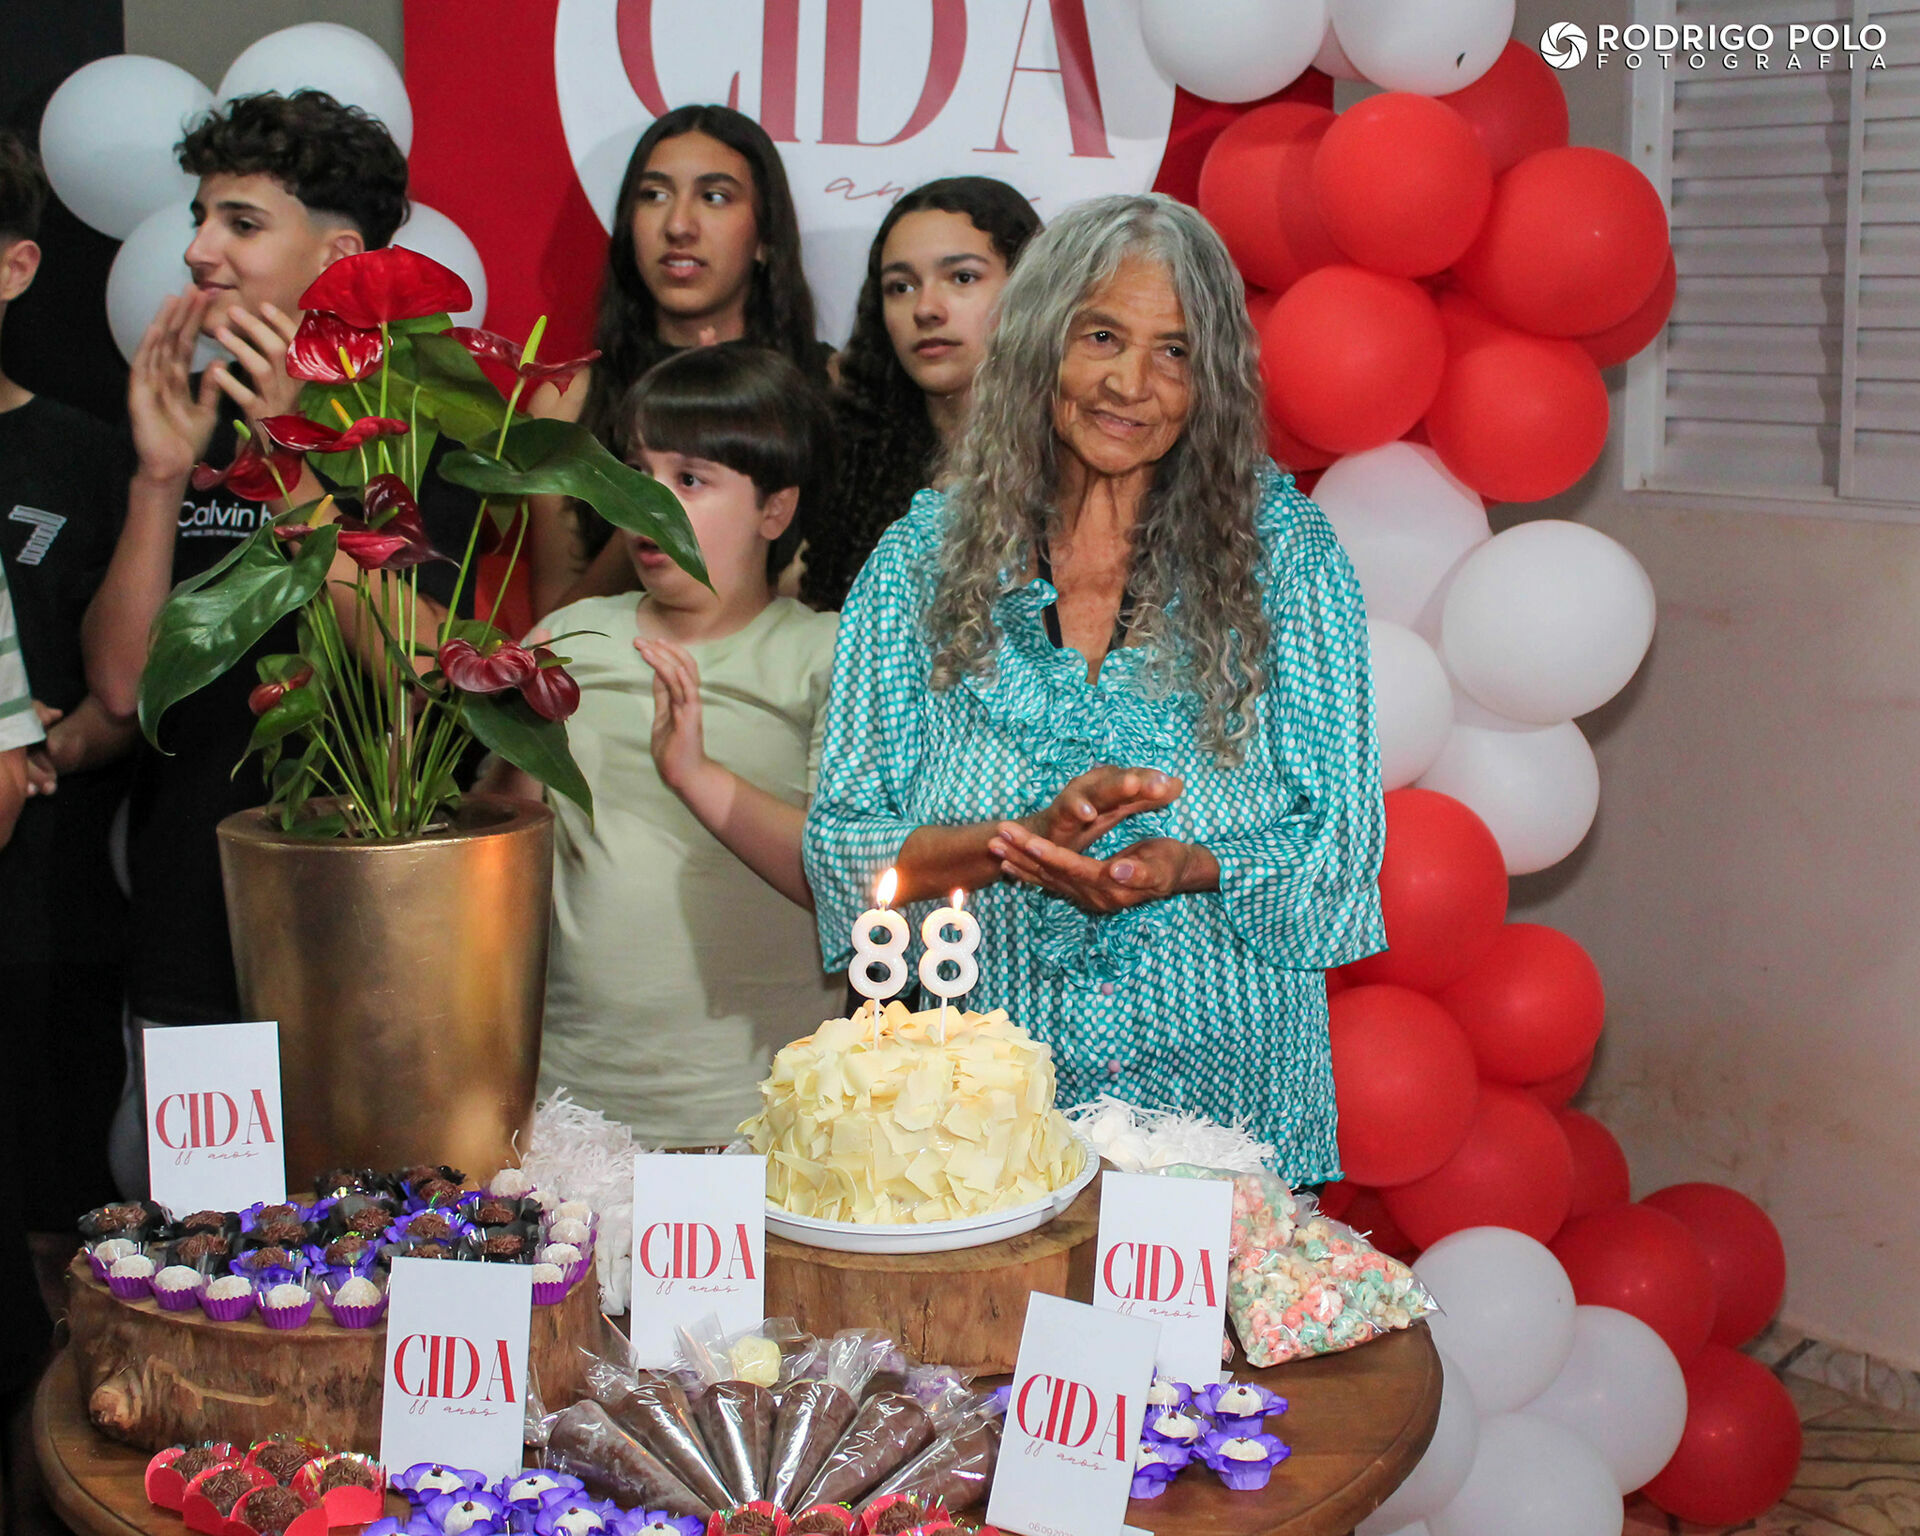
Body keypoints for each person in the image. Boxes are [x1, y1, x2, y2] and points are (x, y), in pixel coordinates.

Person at [803, 194, 1386, 1181]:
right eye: (1102, 337)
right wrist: (1011, 844)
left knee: (1208, 1344)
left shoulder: (1287, 557)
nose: (1132, 384)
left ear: (1215, 381)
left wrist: (1187, 864)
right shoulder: (917, 566)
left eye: (1175, 352)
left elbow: (1340, 844)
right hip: (979, 1125)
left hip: (1226, 1109)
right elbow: (843, 847)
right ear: (1037, 347)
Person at [84, 93, 476, 1083]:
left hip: (375, 950)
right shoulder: (183, 421)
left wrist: (293, 476)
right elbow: (126, 689)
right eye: (200, 218)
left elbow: (423, 673)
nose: (198, 251)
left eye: (242, 223)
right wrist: (160, 477)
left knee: (384, 1238)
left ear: (339, 256)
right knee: (192, 1243)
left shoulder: (429, 433)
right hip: (194, 950)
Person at [487, 344, 840, 1142]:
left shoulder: (827, 653)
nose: (649, 501)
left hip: (759, 1114)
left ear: (774, 510)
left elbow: (844, 882)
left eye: (690, 479)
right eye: (636, 472)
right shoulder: (568, 636)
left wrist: (697, 776)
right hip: (569, 1104)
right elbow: (498, 860)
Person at [0, 132, 135, 1324]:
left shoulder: (86, 455)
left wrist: (50, 744)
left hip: (55, 898)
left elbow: (134, 681)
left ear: (18, 266)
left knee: (56, 1236)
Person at [525, 104, 828, 616]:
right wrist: (653, 504)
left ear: (765, 238)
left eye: (714, 196)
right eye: (655, 195)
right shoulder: (566, 403)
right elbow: (551, 640)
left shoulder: (832, 389)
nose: (679, 225)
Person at [802, 178, 1040, 611]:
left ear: (1031, 288)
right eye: (901, 286)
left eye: (961, 277)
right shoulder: (849, 464)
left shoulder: (1074, 458)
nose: (926, 308)